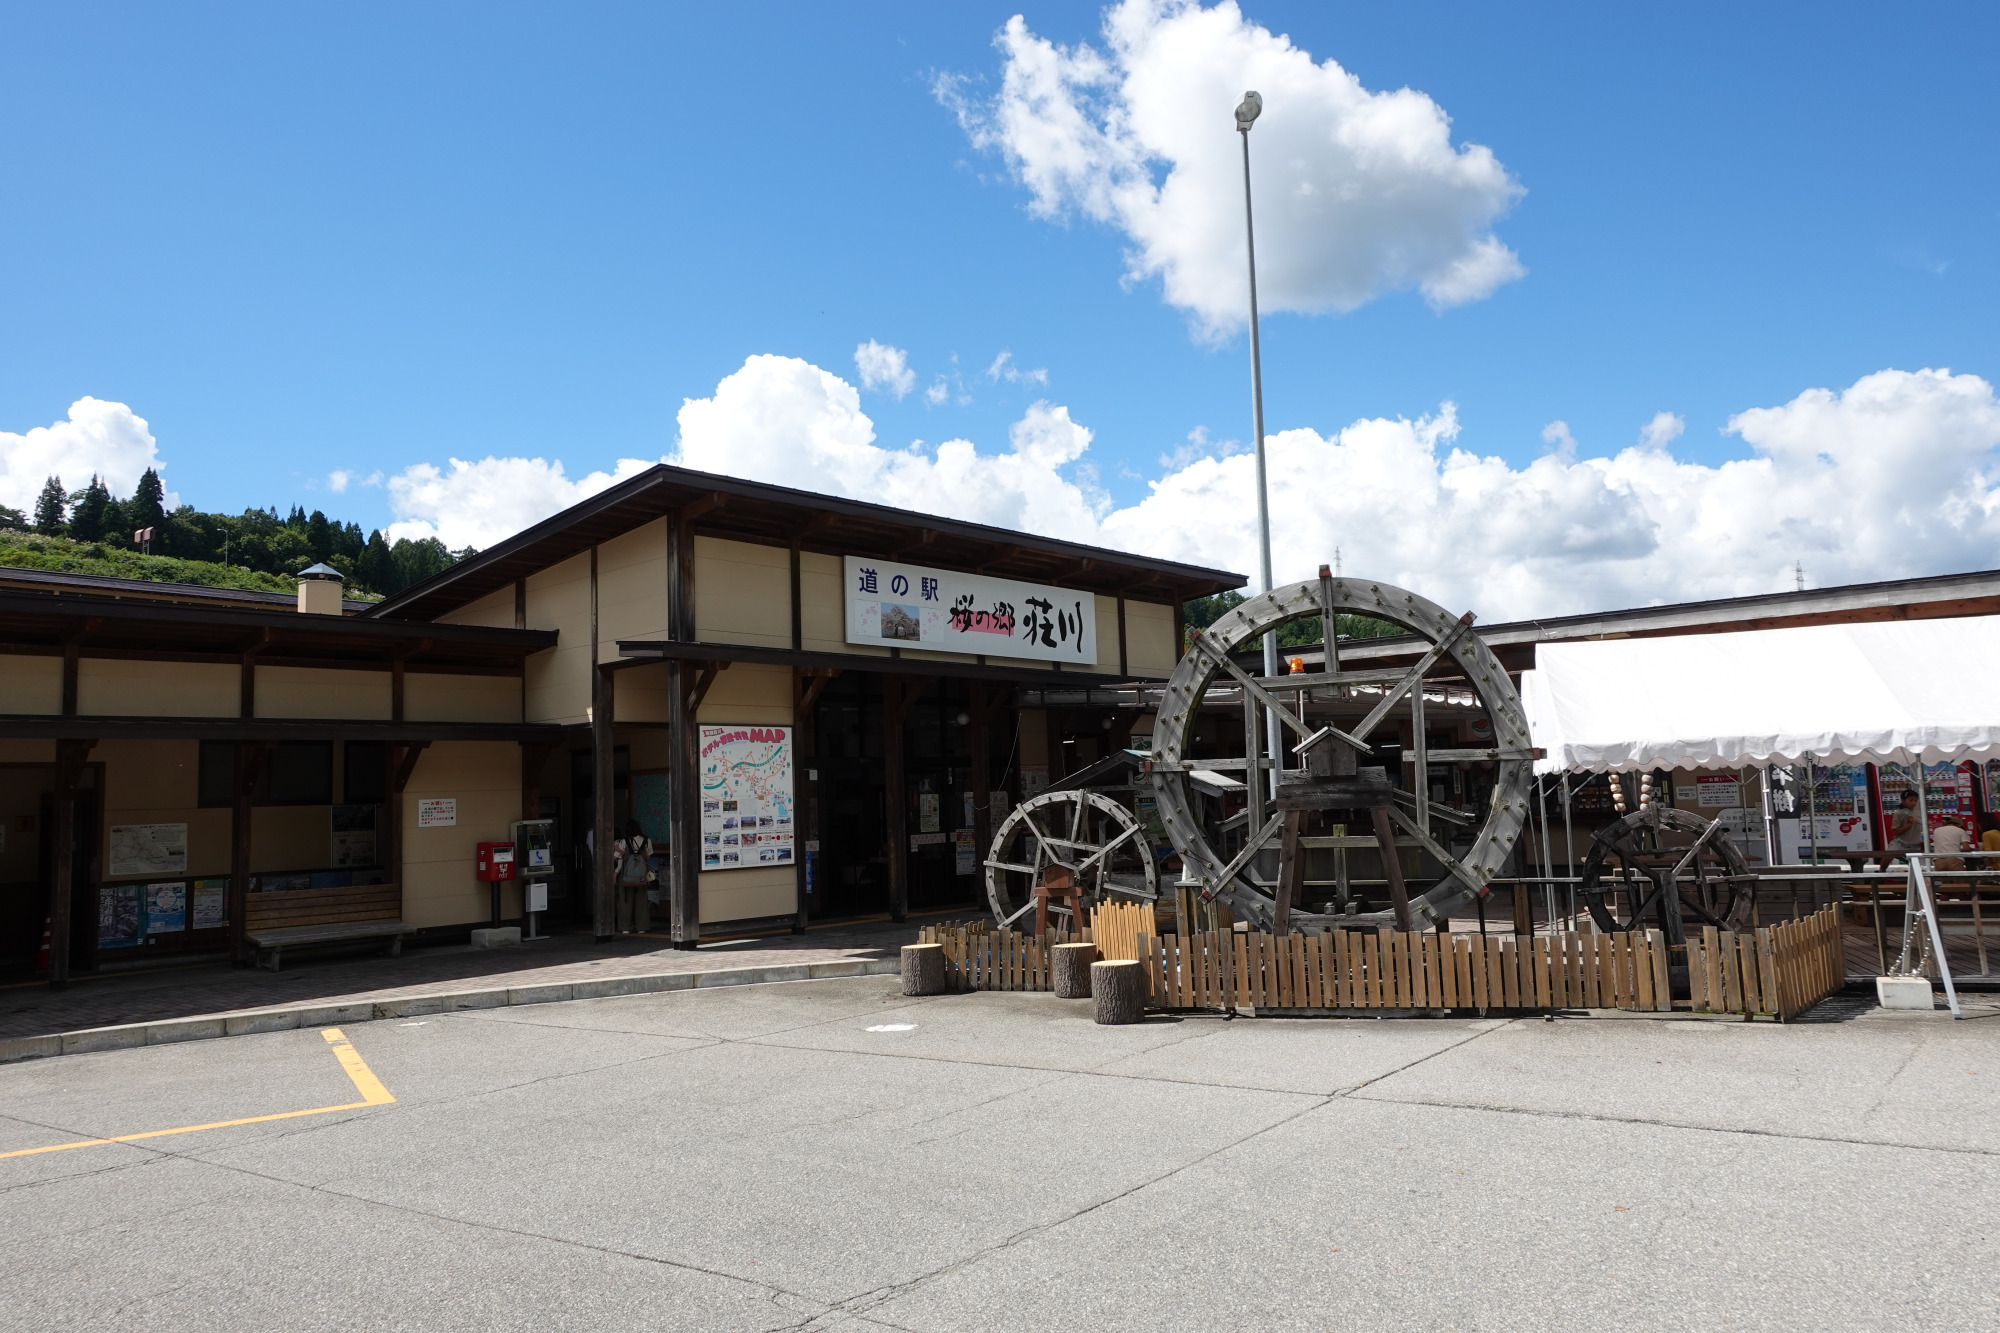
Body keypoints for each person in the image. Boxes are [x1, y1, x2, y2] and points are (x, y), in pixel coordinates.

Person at [614, 820, 655, 934]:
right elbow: (647, 857)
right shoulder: (647, 841)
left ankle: (626, 927)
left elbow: (616, 858)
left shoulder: (623, 842)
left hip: (626, 876)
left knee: (625, 900)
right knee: (641, 901)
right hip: (641, 876)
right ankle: (642, 927)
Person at [1886, 790, 1923, 860]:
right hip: (1900, 842)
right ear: (1903, 800)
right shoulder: (1898, 813)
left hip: (1916, 844)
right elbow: (1896, 831)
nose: (1913, 803)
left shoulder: (1918, 812)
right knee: (1888, 856)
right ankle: (1882, 870)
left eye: (1915, 801)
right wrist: (1909, 824)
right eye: (1910, 800)